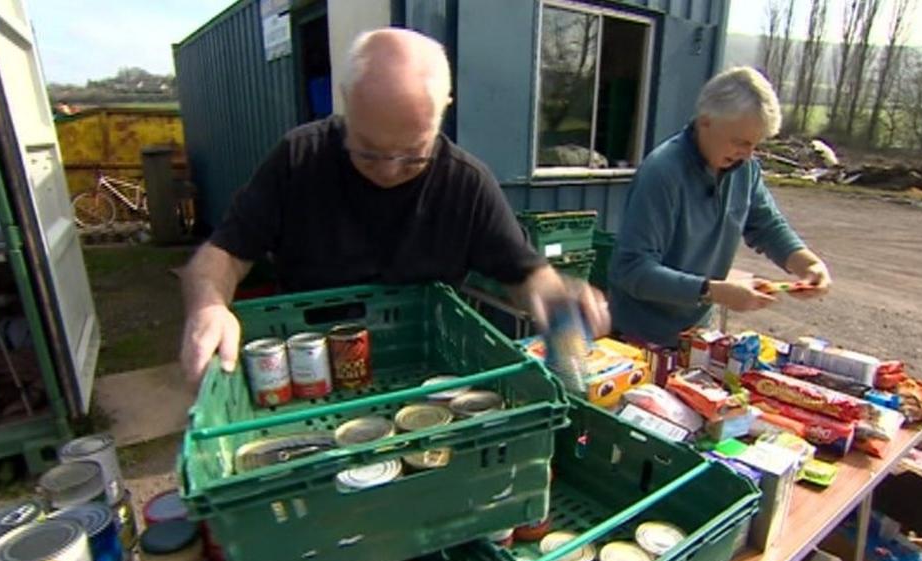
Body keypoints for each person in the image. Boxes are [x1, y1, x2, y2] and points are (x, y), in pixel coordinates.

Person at [180, 28, 609, 383]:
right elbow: (221, 255)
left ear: (444, 111)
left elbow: (526, 273)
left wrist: (557, 296)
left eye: (413, 155)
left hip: (422, 379)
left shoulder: (466, 183)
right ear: (347, 100)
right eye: (367, 151)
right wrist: (209, 306)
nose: (388, 170)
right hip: (311, 376)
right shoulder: (298, 159)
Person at [608, 67, 832, 347]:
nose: (747, 154)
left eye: (754, 145)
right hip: (639, 337)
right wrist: (712, 291)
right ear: (705, 122)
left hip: (696, 333)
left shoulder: (744, 170)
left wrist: (808, 263)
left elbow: (768, 226)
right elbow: (632, 270)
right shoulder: (662, 173)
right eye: (739, 142)